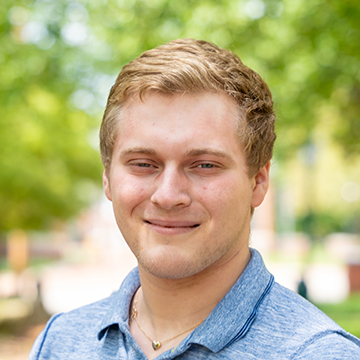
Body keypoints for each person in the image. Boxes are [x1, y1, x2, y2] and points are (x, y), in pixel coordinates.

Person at [29, 38, 360, 359]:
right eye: (144, 164)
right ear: (107, 178)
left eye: (204, 165)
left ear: (258, 181)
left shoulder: (319, 353)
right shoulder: (60, 342)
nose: (168, 195)